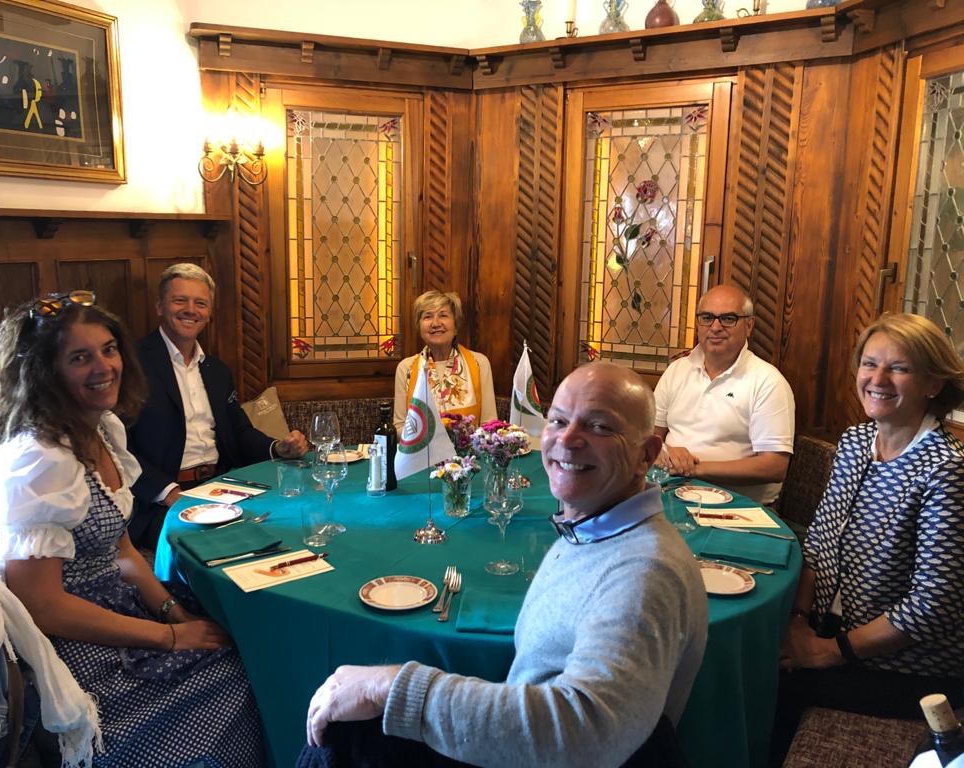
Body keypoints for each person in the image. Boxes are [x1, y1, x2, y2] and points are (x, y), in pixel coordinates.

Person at [304, 362, 708, 768]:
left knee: (341, 738)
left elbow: (585, 731)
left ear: (646, 455)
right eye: (558, 420)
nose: (568, 438)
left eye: (599, 427)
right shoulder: (592, 529)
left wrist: (390, 687)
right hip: (533, 744)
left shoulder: (644, 571)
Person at [0, 291, 265, 767]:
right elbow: (42, 606)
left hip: (119, 609)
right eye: (79, 357)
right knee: (236, 680)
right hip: (77, 649)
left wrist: (172, 613)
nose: (104, 366)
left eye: (108, 349)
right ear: (46, 373)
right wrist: (169, 638)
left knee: (244, 638)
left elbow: (122, 549)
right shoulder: (41, 458)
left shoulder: (102, 430)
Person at [770, 313, 964, 765]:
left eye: (899, 368)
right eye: (869, 363)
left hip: (910, 668)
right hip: (837, 631)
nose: (877, 379)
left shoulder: (946, 470)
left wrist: (828, 652)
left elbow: (931, 607)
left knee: (764, 682)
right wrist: (798, 622)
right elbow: (818, 544)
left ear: (933, 384)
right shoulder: (857, 442)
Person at [128, 263, 308, 547]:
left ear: (209, 313)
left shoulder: (217, 371)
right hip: (161, 502)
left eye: (200, 303)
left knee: (294, 522)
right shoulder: (131, 364)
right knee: (229, 544)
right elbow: (117, 447)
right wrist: (167, 491)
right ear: (160, 306)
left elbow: (239, 433)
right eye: (180, 300)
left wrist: (277, 448)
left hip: (221, 487)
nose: (191, 310)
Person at [653, 284, 795, 504]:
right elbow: (648, 436)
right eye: (707, 317)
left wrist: (693, 469)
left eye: (728, 319)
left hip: (737, 507)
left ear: (749, 325)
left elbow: (774, 467)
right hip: (669, 492)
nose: (715, 327)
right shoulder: (676, 370)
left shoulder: (768, 382)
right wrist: (666, 450)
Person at [393, 290, 497, 432]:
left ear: (456, 325)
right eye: (427, 316)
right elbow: (399, 427)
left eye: (443, 315)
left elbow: (489, 424)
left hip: (469, 446)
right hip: (421, 446)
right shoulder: (406, 368)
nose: (436, 323)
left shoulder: (479, 363)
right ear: (419, 327)